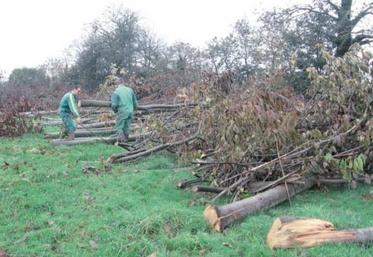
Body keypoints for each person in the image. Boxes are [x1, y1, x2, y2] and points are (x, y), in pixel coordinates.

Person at [111, 78, 138, 143]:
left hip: (122, 111)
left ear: (117, 84)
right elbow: (135, 103)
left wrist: (115, 111)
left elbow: (114, 105)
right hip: (130, 111)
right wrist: (134, 109)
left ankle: (122, 142)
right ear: (123, 83)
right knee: (127, 128)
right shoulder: (130, 90)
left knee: (119, 127)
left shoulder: (116, 92)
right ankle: (127, 142)